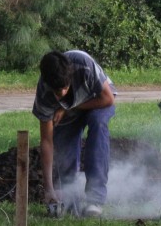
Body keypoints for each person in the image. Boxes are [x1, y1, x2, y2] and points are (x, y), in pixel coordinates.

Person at [32, 50, 116, 217]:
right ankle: (69, 201)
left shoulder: (84, 64)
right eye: (57, 92)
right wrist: (48, 188)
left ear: (70, 77)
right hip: (68, 111)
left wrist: (67, 106)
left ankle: (95, 201)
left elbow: (108, 99)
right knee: (64, 149)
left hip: (98, 101)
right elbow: (47, 142)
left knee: (98, 125)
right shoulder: (44, 94)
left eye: (65, 88)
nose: (62, 94)